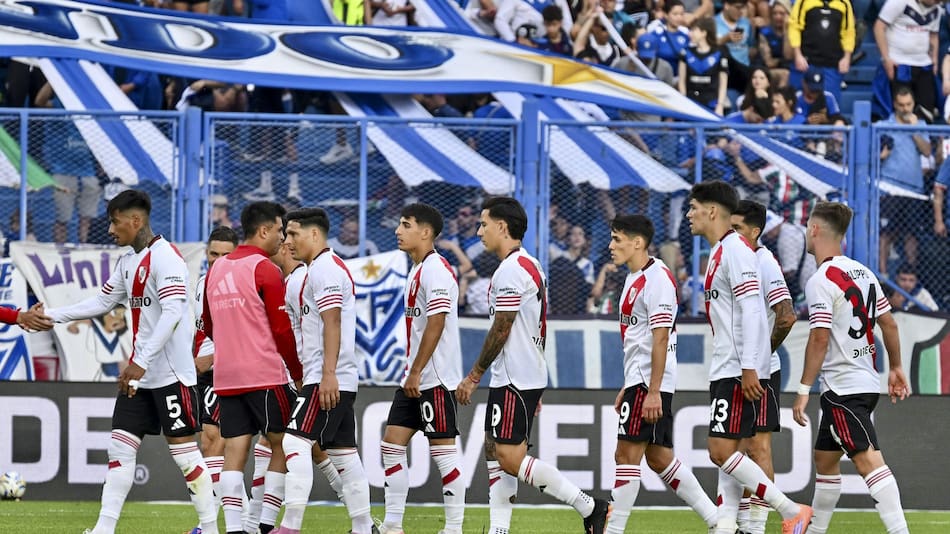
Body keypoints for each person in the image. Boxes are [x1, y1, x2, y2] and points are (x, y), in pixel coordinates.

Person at [45, 190, 217, 534]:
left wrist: (139, 360)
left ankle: (209, 528)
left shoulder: (167, 259)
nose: (110, 229)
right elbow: (100, 302)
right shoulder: (127, 262)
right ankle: (104, 529)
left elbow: (171, 314)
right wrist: (49, 315)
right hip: (141, 378)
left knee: (185, 457)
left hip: (170, 375)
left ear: (135, 221)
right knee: (119, 449)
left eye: (114, 221)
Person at [455, 196, 610, 534]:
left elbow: (503, 326)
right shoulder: (530, 264)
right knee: (494, 451)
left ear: (501, 226)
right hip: (520, 374)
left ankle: (589, 506)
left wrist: (473, 375)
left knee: (509, 458)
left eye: (483, 224)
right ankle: (498, 530)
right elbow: (535, 323)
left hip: (515, 375)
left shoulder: (511, 270)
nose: (479, 231)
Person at [685, 180, 812, 534]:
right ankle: (728, 527)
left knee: (724, 450)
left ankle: (789, 510)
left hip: (740, 368)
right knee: (732, 451)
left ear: (712, 211)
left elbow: (755, 311)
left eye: (694, 207)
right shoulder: (722, 251)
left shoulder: (739, 251)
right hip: (730, 365)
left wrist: (750, 366)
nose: (688, 214)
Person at [792, 201, 911, 534]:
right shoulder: (864, 273)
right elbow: (888, 324)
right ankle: (815, 531)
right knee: (825, 461)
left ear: (815, 229)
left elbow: (818, 339)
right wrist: (896, 367)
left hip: (843, 388)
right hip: (863, 381)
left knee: (868, 460)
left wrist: (802, 391)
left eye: (807, 226)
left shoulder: (820, 280)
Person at [604, 214, 718, 534]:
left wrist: (651, 391)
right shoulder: (634, 276)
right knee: (659, 457)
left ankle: (613, 531)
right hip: (640, 380)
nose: (611, 246)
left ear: (637, 242)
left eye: (617, 239)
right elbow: (640, 338)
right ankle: (716, 521)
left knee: (625, 455)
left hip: (650, 383)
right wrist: (630, 385)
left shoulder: (658, 280)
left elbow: (661, 337)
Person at [201, 201, 303, 534]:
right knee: (281, 444)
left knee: (235, 451)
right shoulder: (264, 269)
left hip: (226, 378)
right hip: (264, 375)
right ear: (263, 230)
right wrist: (298, 372)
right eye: (279, 230)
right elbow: (281, 329)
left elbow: (209, 324)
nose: (282, 237)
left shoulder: (215, 270)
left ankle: (233, 529)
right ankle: (262, 524)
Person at [277, 207, 374, 534]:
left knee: (293, 444)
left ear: (314, 234)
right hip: (332, 376)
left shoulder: (325, 270)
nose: (287, 241)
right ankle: (363, 527)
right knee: (344, 455)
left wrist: (328, 374)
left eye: (293, 234)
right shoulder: (315, 270)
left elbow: (332, 322)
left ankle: (290, 526)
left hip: (328, 378)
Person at [377, 203, 466, 534]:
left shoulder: (437, 271)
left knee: (443, 453)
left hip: (435, 378)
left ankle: (454, 528)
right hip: (415, 377)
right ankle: (392, 525)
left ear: (425, 232)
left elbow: (437, 323)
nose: (398, 231)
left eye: (405, 225)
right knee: (391, 445)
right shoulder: (416, 269)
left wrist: (416, 371)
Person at [730, 200, 797, 534]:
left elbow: (786, 316)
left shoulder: (763, 260)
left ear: (755, 232)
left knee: (757, 448)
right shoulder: (732, 258)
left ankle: (755, 528)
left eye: (738, 228)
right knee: (735, 450)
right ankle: (741, 524)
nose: (732, 234)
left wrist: (759, 355)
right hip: (738, 369)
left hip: (761, 372)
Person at [190, 225, 239, 530]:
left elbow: (250, 335)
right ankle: (241, 518)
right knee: (211, 446)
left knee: (214, 443)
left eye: (226, 255)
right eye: (213, 254)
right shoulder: (199, 284)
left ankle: (208, 524)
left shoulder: (240, 286)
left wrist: (212, 358)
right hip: (201, 373)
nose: (218, 260)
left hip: (227, 371)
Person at [878, 86, 931, 274]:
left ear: (913, 104)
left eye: (908, 104)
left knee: (912, 234)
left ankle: (911, 274)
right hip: (889, 188)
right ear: (895, 104)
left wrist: (914, 129)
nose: (905, 108)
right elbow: (872, 157)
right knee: (885, 233)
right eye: (901, 105)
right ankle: (882, 276)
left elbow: (926, 151)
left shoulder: (920, 125)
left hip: (914, 189)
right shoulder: (882, 126)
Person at [872, 0, 941, 121]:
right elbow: (879, 27)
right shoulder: (899, 2)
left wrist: (934, 60)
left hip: (923, 65)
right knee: (899, 110)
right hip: (899, 64)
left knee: (926, 112)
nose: (937, 2)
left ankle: (922, 139)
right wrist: (886, 58)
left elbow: (933, 35)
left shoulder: (937, 8)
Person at [787, 0, 855, 103]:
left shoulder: (844, 3)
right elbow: (794, 26)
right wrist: (797, 54)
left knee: (830, 105)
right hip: (806, 62)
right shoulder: (803, 1)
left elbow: (848, 32)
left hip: (832, 64)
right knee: (798, 104)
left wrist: (847, 57)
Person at [679, 17, 729, 116]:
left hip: (711, 101)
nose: (690, 33)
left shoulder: (719, 53)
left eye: (694, 30)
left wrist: (720, 105)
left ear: (703, 33)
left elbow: (723, 82)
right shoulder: (685, 53)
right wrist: (683, 102)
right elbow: (682, 80)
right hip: (691, 102)